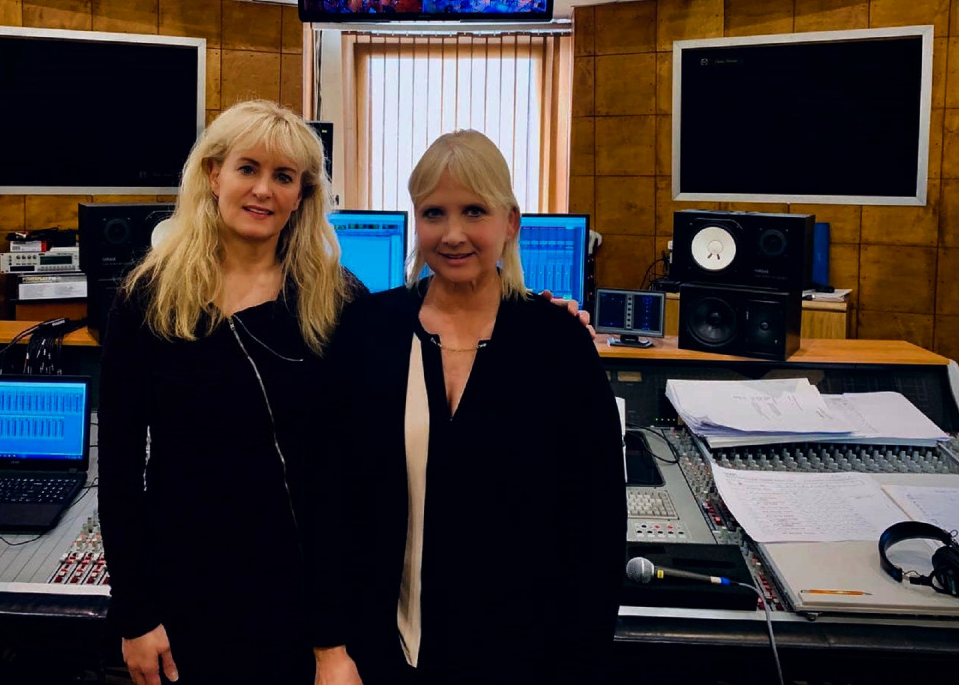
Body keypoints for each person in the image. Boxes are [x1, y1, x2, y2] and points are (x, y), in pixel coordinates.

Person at [329, 130, 626, 685]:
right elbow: (334, 502)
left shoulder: (558, 344)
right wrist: (332, 645)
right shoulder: (366, 329)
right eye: (434, 213)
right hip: (382, 653)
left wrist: (580, 664)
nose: (453, 234)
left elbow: (597, 526)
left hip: (523, 660)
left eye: (474, 211)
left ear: (510, 222)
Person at [97, 100, 363, 685]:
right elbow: (119, 472)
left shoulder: (339, 301)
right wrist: (136, 614)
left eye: (284, 176)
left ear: (302, 196)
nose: (263, 190)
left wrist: (333, 640)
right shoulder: (146, 299)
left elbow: (343, 485)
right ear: (214, 174)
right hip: (185, 598)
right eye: (248, 168)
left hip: (300, 601)